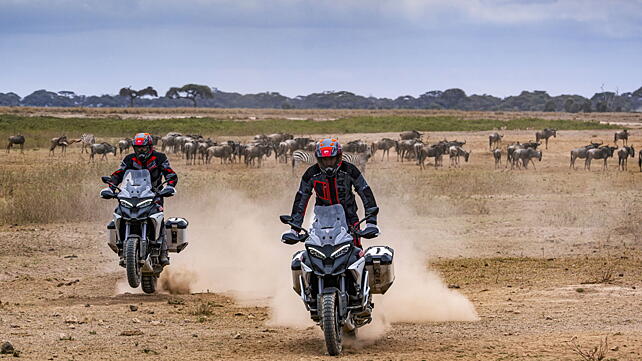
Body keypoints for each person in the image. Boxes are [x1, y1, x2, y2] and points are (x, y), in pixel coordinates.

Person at [283, 138, 379, 247]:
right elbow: (301, 199)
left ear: (338, 157)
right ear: (319, 159)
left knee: (357, 251)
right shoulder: (311, 174)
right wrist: (294, 230)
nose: (328, 163)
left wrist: (371, 223)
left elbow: (365, 192)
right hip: (321, 222)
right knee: (310, 252)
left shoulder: (350, 170)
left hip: (349, 220)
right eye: (325, 160)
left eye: (331, 159)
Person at [108, 133, 178, 265]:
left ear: (150, 147)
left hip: (154, 195)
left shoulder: (159, 158)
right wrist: (111, 187)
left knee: (159, 216)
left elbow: (170, 173)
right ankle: (122, 247)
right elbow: (118, 174)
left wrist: (169, 186)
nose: (140, 150)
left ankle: (162, 251)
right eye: (137, 148)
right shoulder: (129, 159)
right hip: (131, 194)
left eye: (143, 148)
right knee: (119, 213)